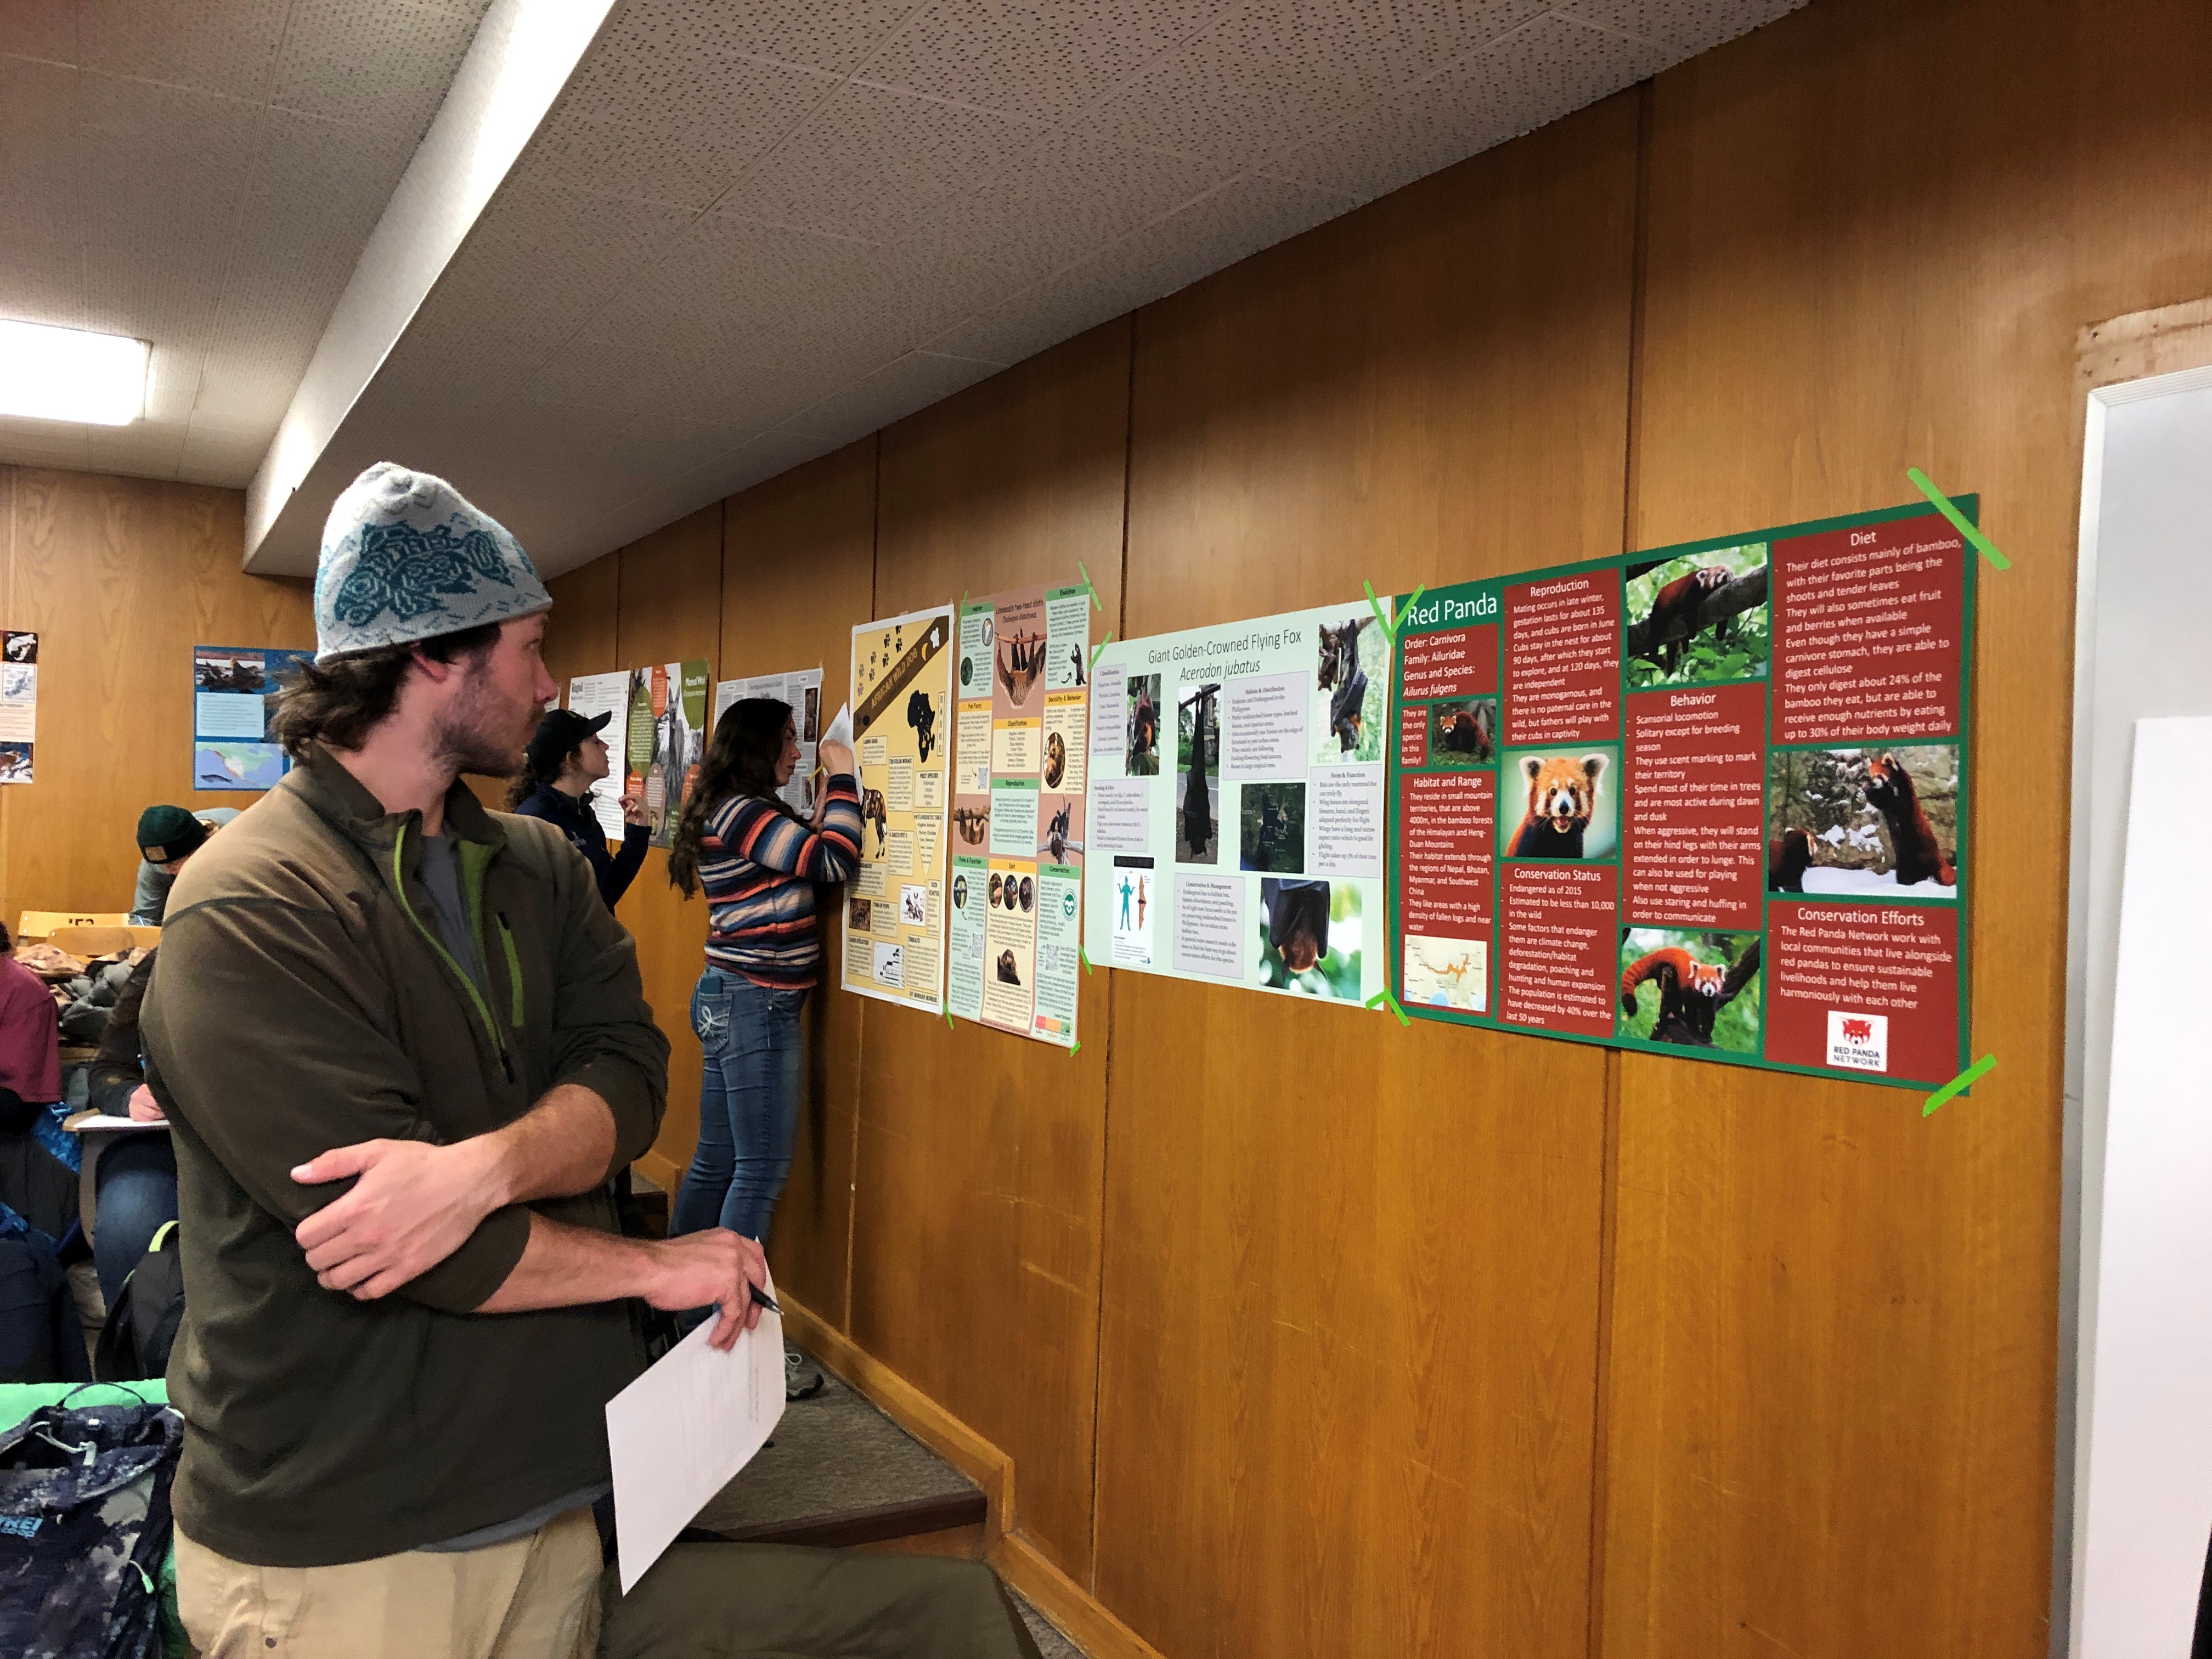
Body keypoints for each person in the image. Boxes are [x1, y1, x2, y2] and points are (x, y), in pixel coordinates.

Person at [142, 462, 762, 1656]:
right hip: (343, 1543)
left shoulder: (540, 863)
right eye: (529, 646)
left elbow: (632, 1075)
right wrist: (649, 1267)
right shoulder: (248, 902)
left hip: (546, 1495)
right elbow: (400, 1238)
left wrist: (479, 1169)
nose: (548, 682)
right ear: (432, 652)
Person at [665, 698, 858, 1392]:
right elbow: (834, 859)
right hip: (758, 1004)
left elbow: (797, 856)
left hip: (732, 995)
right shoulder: (744, 813)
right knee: (758, 1172)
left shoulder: (731, 808)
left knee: (717, 1163)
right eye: (788, 740)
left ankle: (681, 1319)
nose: (797, 753)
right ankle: (727, 1346)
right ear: (756, 746)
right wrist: (843, 775)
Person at [82, 950, 179, 1309]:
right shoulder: (165, 961)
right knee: (129, 1222)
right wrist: (128, 1095)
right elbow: (107, 1069)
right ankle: (133, 1339)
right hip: (167, 1139)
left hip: (272, 1138)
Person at [509, 707, 651, 909]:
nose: (606, 746)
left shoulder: (582, 812)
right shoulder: (535, 819)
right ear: (570, 759)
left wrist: (637, 835)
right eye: (595, 742)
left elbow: (605, 894)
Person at [127, 805, 238, 924]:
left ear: (197, 850)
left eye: (175, 864)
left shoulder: (236, 845)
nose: (167, 871)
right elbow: (144, 918)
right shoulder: (156, 863)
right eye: (162, 865)